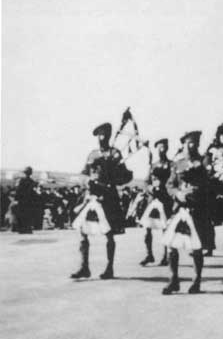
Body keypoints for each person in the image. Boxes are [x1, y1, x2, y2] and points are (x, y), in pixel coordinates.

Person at [70, 122, 132, 280]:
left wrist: (114, 177)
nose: (100, 138)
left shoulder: (115, 154)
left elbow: (125, 176)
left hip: (107, 197)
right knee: (83, 231)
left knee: (109, 233)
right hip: (91, 195)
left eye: (103, 134)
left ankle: (109, 267)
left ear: (109, 136)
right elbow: (84, 172)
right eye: (98, 135)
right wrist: (86, 181)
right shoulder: (92, 154)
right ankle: (84, 267)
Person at [162, 131, 212, 294]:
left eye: (194, 143)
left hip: (195, 209)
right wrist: (177, 193)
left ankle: (196, 281)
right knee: (171, 245)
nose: (191, 146)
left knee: (195, 247)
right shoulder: (177, 164)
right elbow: (170, 185)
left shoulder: (203, 163)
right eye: (188, 143)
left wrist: (192, 193)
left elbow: (207, 185)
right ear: (183, 144)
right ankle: (173, 280)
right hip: (179, 209)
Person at [140, 138, 173, 266]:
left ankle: (166, 256)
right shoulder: (153, 165)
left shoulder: (171, 165)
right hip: (153, 200)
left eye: (163, 147)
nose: (161, 150)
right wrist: (150, 188)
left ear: (167, 148)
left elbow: (173, 182)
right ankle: (149, 255)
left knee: (165, 228)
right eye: (159, 147)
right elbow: (146, 182)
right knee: (147, 228)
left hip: (165, 200)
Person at [15, 166, 36, 234]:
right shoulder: (32, 182)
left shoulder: (21, 180)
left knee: (21, 214)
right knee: (28, 215)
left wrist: (17, 199)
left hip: (22, 200)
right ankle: (28, 228)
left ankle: (21, 229)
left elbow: (18, 190)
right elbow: (33, 193)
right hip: (29, 201)